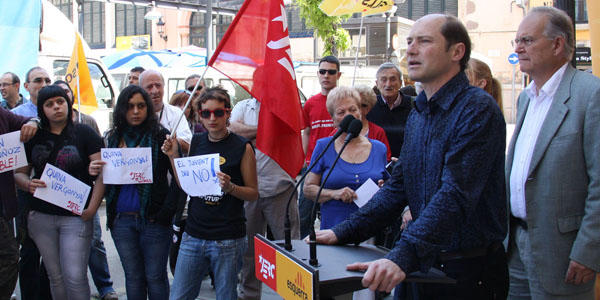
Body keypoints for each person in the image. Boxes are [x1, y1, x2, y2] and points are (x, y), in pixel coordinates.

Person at [314, 14, 507, 299]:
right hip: (422, 264)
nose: (411, 50)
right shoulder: (420, 111)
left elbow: (455, 195)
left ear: (457, 52)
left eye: (424, 41)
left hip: (465, 272)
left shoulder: (477, 109)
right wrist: (345, 231)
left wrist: (402, 255)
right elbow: (399, 185)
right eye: (409, 42)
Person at [507, 6, 600, 299]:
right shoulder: (525, 98)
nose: (519, 48)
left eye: (527, 40)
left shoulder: (590, 95)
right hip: (516, 248)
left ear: (558, 44)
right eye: (517, 41)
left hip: (564, 254)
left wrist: (588, 251)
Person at [163, 87, 258, 300]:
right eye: (206, 113)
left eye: (218, 112)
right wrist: (172, 156)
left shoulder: (243, 147)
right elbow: (186, 185)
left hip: (228, 238)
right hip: (194, 234)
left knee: (225, 296)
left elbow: (253, 193)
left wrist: (231, 188)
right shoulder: (196, 142)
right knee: (178, 295)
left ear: (228, 113)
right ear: (199, 116)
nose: (212, 118)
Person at [14, 85, 105, 300]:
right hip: (41, 217)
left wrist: (92, 208)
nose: (56, 107)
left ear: (68, 103)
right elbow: (19, 174)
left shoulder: (85, 132)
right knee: (54, 276)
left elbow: (102, 173)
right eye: (49, 104)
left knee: (75, 276)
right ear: (41, 109)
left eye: (60, 102)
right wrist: (28, 184)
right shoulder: (33, 136)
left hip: (75, 217)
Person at [88, 85, 176, 300]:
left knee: (155, 277)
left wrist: (166, 212)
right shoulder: (112, 138)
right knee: (133, 277)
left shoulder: (160, 136)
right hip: (122, 221)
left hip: (154, 220)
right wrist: (90, 207)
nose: (135, 111)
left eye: (141, 106)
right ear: (121, 110)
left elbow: (179, 179)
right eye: (129, 107)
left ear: (148, 108)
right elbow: (103, 178)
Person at [53, 80, 118, 300]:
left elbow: (100, 155)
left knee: (94, 242)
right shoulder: (44, 127)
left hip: (86, 197)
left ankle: (105, 286)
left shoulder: (86, 122)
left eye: (64, 96)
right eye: (54, 98)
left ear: (71, 98)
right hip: (55, 200)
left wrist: (92, 171)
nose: (59, 103)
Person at [231, 97, 301, 300]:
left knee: (290, 249)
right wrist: (266, 130)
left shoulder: (287, 106)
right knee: (248, 252)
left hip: (280, 188)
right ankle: (249, 296)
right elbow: (234, 131)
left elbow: (288, 132)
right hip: (248, 189)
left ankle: (294, 294)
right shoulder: (242, 106)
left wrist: (251, 131)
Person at [304, 86, 388, 230]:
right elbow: (308, 189)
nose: (348, 115)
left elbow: (387, 185)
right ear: (333, 119)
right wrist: (334, 193)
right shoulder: (324, 146)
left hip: (371, 230)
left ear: (360, 112)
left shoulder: (379, 148)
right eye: (341, 112)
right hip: (333, 230)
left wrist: (384, 187)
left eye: (353, 109)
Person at [11, 66, 53, 300]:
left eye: (48, 79)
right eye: (38, 80)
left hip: (53, 192)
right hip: (25, 193)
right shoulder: (16, 114)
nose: (44, 83)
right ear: (26, 86)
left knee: (50, 255)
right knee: (28, 250)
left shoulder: (56, 112)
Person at [299, 55, 341, 238]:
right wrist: (304, 161)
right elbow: (306, 132)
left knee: (334, 215)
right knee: (304, 216)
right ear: (318, 74)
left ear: (338, 75)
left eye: (331, 72)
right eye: (322, 71)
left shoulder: (345, 101)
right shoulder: (310, 103)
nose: (326, 75)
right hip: (313, 166)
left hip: (339, 166)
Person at [0, 108, 38, 300]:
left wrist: (33, 123)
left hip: (3, 208)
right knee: (9, 256)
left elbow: (31, 119)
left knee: (10, 258)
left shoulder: (1, 114)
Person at [366, 62, 412, 159]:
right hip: (376, 163)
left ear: (400, 82)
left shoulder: (413, 106)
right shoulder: (369, 106)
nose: (388, 84)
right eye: (383, 80)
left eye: (393, 79)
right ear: (377, 84)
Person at [139, 69, 192, 154]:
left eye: (158, 85)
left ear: (164, 86)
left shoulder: (176, 113)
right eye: (149, 87)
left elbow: (189, 146)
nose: (155, 91)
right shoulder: (136, 115)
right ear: (141, 90)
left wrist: (173, 142)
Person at [353, 85, 391, 161]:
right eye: (355, 104)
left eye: (363, 105)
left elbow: (386, 158)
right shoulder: (338, 131)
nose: (359, 109)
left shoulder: (378, 132)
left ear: (369, 108)